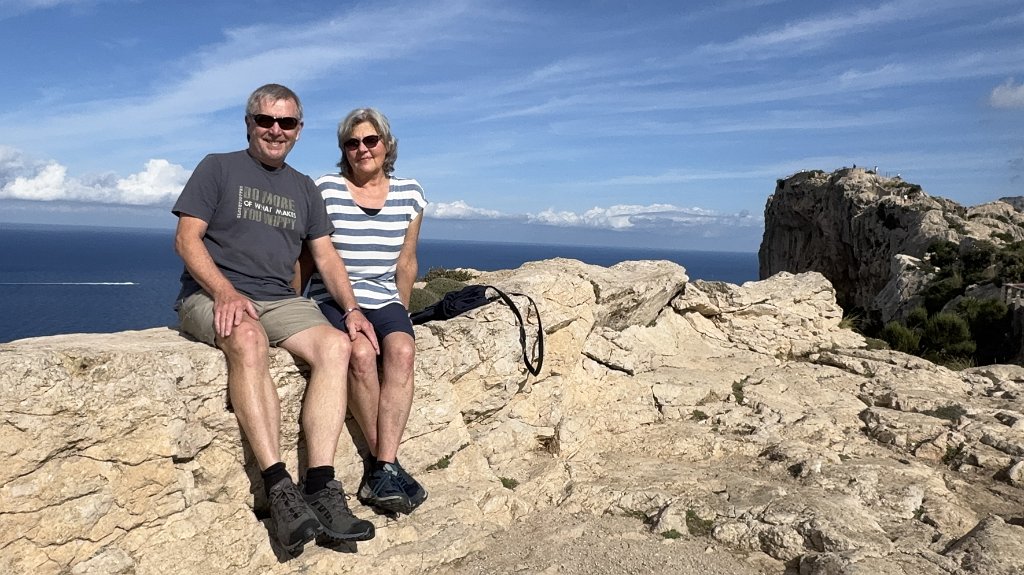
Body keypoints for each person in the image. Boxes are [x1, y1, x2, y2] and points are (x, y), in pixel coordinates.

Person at [172, 84, 378, 554]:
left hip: (279, 299)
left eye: (286, 123)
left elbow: (325, 256)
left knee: (336, 346)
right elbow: (186, 239)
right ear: (249, 124)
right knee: (248, 339)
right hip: (211, 294)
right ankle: (279, 486)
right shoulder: (218, 167)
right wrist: (224, 291)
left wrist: (351, 310)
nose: (275, 130)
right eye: (265, 120)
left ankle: (321, 486)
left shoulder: (303, 187)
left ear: (299, 130)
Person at [298, 108, 428, 515]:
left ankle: (382, 466)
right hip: (333, 297)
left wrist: (401, 313)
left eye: (370, 140)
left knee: (402, 351)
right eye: (352, 143)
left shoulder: (410, 193)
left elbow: (406, 261)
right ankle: (384, 467)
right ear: (344, 150)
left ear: (386, 145)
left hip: (384, 296)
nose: (362, 149)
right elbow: (310, 256)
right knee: (359, 353)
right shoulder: (326, 189)